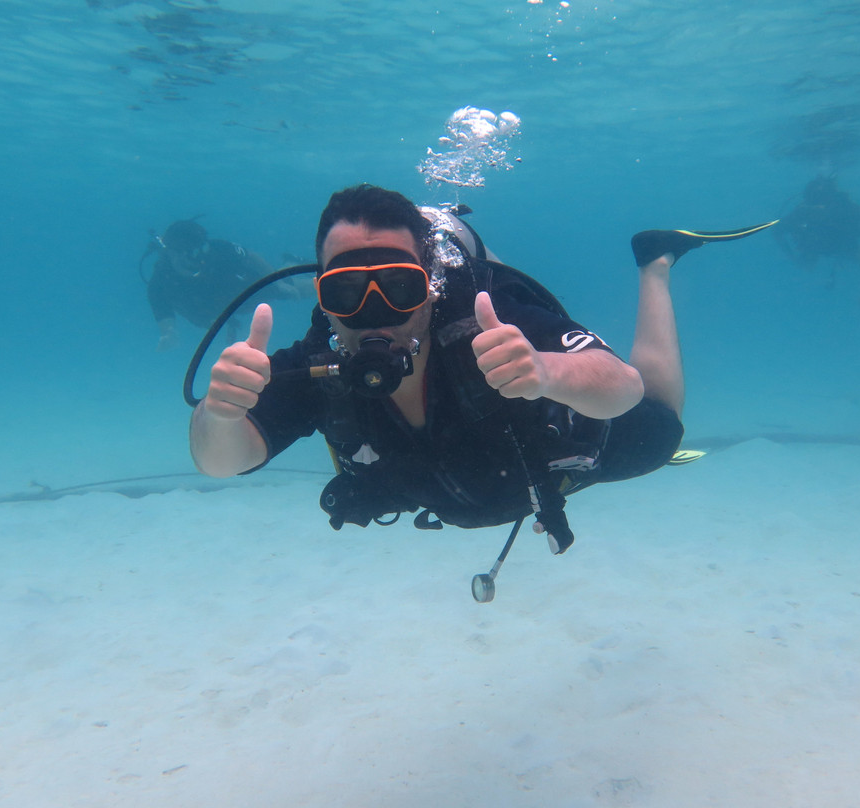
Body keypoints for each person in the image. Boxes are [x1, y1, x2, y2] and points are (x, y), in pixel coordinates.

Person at [188, 184, 772, 560]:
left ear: (432, 282)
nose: (374, 315)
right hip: (472, 488)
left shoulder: (489, 323)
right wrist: (219, 413)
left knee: (662, 424)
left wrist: (546, 371)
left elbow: (623, 386)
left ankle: (656, 263)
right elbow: (219, 460)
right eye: (345, 290)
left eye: (398, 286)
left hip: (553, 455)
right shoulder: (315, 366)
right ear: (321, 292)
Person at [145, 219, 276, 351]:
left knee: (292, 290)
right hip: (213, 313)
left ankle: (291, 263)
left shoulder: (219, 249)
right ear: (167, 252)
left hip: (243, 293)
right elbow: (164, 317)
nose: (185, 259)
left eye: (191, 252)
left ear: (201, 248)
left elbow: (251, 257)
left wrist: (278, 281)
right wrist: (169, 334)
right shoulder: (159, 281)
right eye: (178, 252)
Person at [773, 175, 860, 300]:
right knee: (806, 266)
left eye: (823, 203)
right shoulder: (801, 212)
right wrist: (793, 258)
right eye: (814, 204)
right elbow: (776, 230)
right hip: (815, 246)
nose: (819, 208)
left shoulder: (845, 209)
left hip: (842, 244)